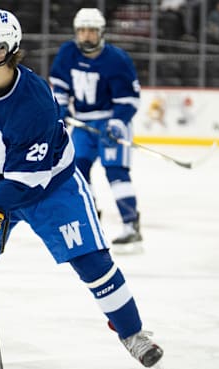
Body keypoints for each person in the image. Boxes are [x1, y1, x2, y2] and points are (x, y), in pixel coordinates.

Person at [0, 8, 163, 369]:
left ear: (3, 51)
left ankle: (133, 333)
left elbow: (27, 178)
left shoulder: (34, 101)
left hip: (51, 189)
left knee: (92, 262)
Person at [49, 8, 143, 252]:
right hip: (83, 124)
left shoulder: (117, 59)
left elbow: (129, 100)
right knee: (77, 170)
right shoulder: (67, 53)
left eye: (91, 30)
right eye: (82, 31)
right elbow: (59, 88)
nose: (86, 35)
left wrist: (117, 122)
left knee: (116, 172)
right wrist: (61, 111)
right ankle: (91, 219)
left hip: (110, 122)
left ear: (101, 32)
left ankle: (131, 226)